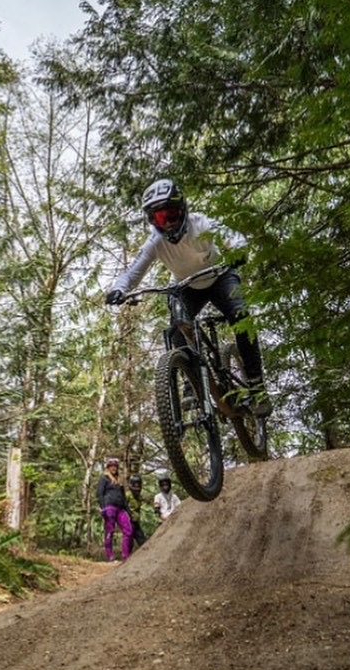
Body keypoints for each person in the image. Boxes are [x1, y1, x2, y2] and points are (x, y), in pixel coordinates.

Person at [105, 178, 271, 417]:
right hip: (186, 286)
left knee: (241, 318)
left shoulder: (201, 223)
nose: (169, 223)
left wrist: (238, 251)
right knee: (176, 331)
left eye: (171, 214)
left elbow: (233, 236)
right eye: (161, 218)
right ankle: (191, 382)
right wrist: (118, 289)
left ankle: (256, 386)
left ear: (183, 209)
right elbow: (133, 272)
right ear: (153, 221)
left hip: (220, 276)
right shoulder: (155, 242)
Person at [96, 457, 134, 561]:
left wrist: (129, 512)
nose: (114, 468)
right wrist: (103, 508)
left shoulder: (119, 482)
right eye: (111, 466)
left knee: (128, 530)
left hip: (120, 508)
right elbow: (99, 494)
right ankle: (110, 556)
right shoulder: (104, 478)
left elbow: (124, 498)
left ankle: (126, 555)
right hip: (109, 507)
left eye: (115, 466)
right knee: (110, 531)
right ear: (108, 468)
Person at [127, 474, 148, 548]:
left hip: (136, 521)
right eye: (135, 485)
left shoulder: (139, 496)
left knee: (142, 541)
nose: (137, 488)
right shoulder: (128, 495)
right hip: (128, 521)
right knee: (129, 541)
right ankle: (126, 557)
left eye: (138, 485)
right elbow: (122, 506)